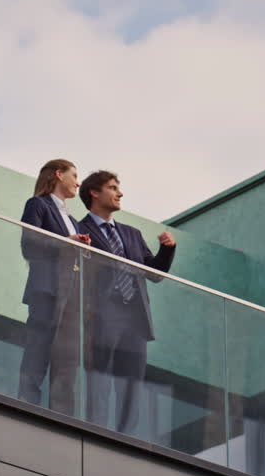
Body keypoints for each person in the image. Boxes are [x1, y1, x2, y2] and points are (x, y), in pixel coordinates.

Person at [76, 170, 175, 435]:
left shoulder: (131, 234)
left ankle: (126, 437)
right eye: (112, 187)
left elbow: (154, 274)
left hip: (135, 317)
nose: (120, 193)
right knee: (100, 378)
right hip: (102, 312)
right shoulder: (77, 228)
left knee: (132, 381)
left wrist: (167, 250)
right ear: (94, 193)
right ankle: (95, 431)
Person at [17, 159, 92, 414]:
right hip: (46, 291)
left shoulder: (73, 219)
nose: (78, 183)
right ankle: (27, 406)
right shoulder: (38, 204)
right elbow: (29, 243)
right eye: (74, 175)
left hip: (71, 296)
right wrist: (66, 241)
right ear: (59, 175)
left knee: (67, 360)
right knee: (38, 350)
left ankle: (62, 417)